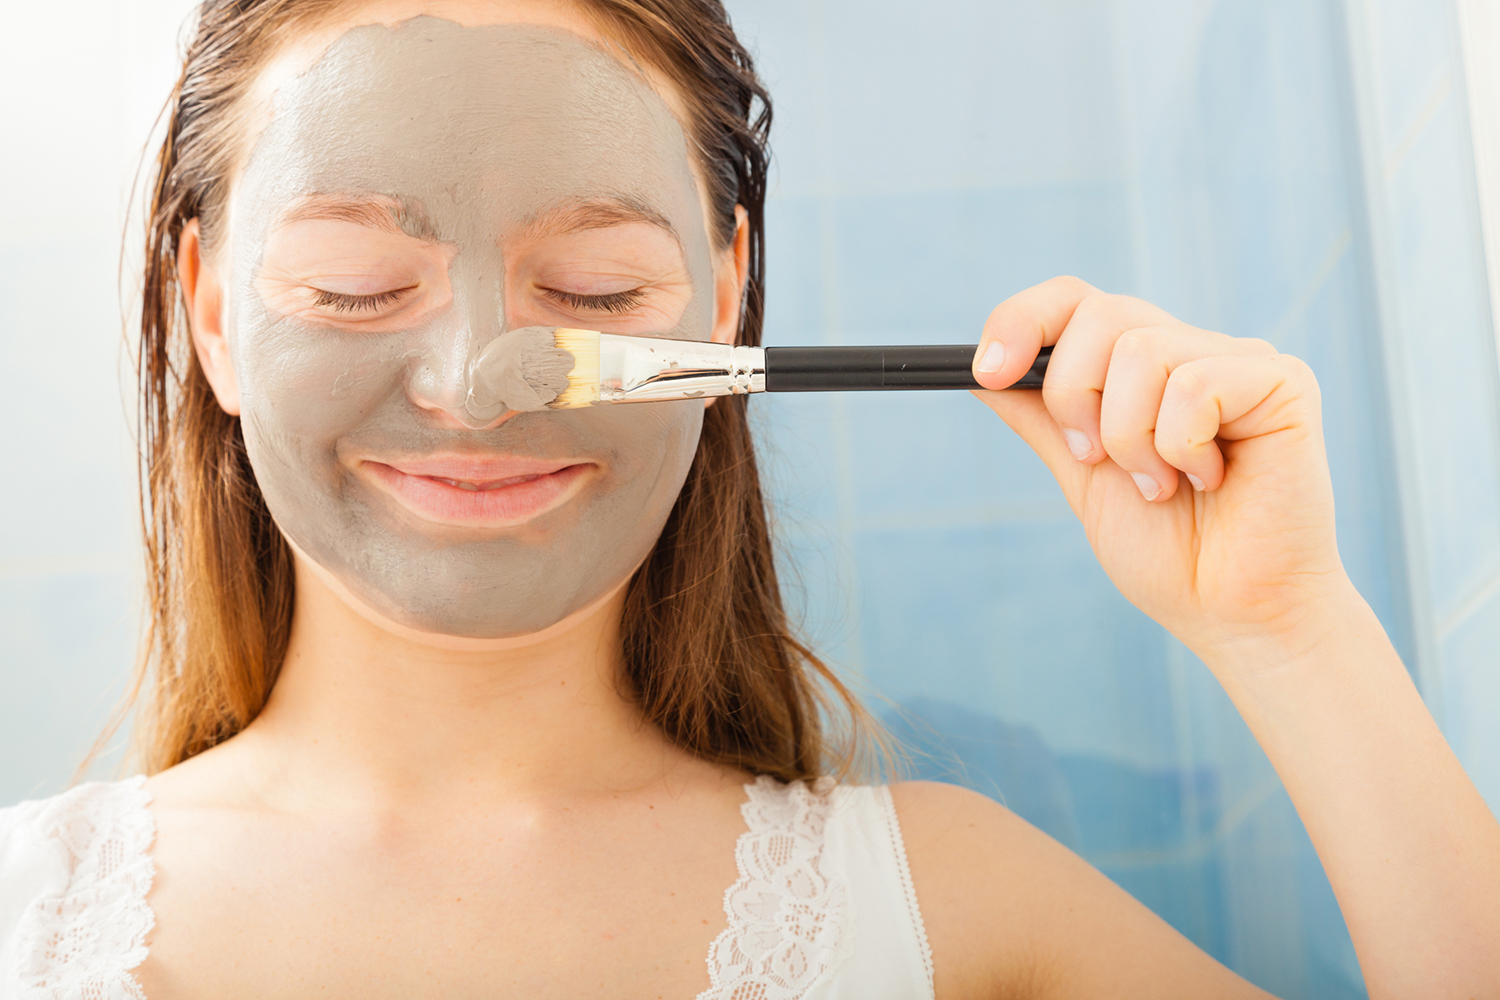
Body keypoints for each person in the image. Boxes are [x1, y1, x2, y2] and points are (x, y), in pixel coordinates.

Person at [2, 1, 1498, 997]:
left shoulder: (951, 905)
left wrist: (1289, 631)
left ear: (725, 299)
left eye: (597, 287)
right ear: (206, 315)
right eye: (354, 286)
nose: (474, 380)